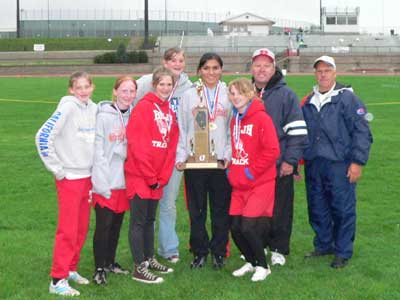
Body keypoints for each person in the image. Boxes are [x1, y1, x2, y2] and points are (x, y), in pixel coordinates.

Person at [302, 56, 373, 268]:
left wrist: (357, 162)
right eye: (319, 71)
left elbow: (362, 132)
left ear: (335, 73)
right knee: (317, 207)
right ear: (315, 74)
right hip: (314, 163)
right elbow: (301, 133)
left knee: (342, 208)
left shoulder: (348, 99)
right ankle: (324, 244)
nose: (323, 74)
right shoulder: (309, 100)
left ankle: (343, 251)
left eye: (327, 70)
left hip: (339, 164)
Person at [35, 71, 97, 296]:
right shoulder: (68, 107)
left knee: (81, 228)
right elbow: (43, 135)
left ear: (92, 87)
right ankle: (57, 279)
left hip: (87, 177)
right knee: (68, 230)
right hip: (69, 178)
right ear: (71, 90)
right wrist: (58, 169)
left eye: (86, 86)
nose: (82, 91)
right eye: (78, 87)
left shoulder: (93, 108)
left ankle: (71, 268)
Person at [134, 47, 192, 263]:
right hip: (149, 156)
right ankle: (143, 251)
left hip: (174, 155)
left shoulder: (189, 88)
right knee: (146, 206)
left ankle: (168, 248)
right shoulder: (146, 82)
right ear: (164, 62)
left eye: (181, 60)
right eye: (173, 60)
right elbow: (128, 101)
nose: (177, 64)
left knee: (168, 203)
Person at [251, 48, 308, 266]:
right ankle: (258, 244)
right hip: (254, 165)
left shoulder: (287, 95)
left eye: (266, 65)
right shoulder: (246, 92)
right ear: (252, 68)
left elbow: (297, 131)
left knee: (281, 207)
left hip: (278, 163)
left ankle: (278, 248)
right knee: (256, 207)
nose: (262, 69)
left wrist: (290, 161)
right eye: (258, 65)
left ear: (274, 68)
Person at [176, 52, 232, 269]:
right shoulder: (189, 95)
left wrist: (226, 155)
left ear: (221, 70)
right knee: (197, 211)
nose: (211, 72)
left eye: (215, 68)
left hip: (219, 163)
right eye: (206, 68)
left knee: (220, 210)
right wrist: (182, 156)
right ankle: (199, 252)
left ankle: (219, 252)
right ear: (199, 70)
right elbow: (182, 127)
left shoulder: (228, 93)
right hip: (194, 164)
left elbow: (229, 129)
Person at [125, 67, 179, 284]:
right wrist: (150, 176)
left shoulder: (168, 111)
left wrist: (163, 176)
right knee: (138, 221)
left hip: (157, 178)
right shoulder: (144, 108)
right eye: (161, 84)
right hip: (141, 176)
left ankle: (149, 258)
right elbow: (137, 145)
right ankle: (139, 267)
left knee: (149, 220)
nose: (165, 88)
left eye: (169, 84)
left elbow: (171, 146)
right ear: (154, 85)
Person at [227, 78, 280, 282]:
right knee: (235, 227)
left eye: (239, 92)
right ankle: (251, 261)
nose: (235, 97)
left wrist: (251, 172)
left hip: (260, 182)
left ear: (250, 94)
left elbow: (272, 150)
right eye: (232, 93)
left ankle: (263, 266)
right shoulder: (235, 119)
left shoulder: (261, 118)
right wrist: (232, 170)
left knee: (248, 226)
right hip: (239, 183)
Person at [91, 76, 137, 285]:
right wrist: (100, 181)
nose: (128, 95)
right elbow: (98, 151)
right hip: (106, 179)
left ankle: (110, 261)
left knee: (117, 224)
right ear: (115, 91)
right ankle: (99, 268)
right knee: (104, 225)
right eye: (124, 91)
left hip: (124, 180)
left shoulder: (135, 115)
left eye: (132, 91)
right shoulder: (103, 116)